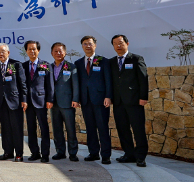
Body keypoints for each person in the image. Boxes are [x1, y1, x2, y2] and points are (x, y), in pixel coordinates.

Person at [110, 34, 149, 167]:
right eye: (115, 44)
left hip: (134, 101)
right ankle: (129, 154)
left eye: (121, 43)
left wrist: (143, 97)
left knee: (138, 129)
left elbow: (143, 79)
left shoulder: (136, 59)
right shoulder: (112, 62)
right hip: (118, 102)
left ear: (127, 43)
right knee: (123, 129)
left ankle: (140, 157)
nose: (118, 46)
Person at [76, 36, 113, 164]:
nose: (87, 46)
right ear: (82, 46)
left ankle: (106, 155)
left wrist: (108, 96)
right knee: (90, 128)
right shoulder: (78, 63)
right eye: (85, 44)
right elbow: (78, 83)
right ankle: (93, 153)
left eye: (90, 44)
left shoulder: (103, 61)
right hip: (85, 101)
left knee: (103, 128)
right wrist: (78, 98)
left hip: (101, 100)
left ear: (95, 45)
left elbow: (108, 80)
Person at [0, 43, 27, 162]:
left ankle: (19, 154)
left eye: (3, 51)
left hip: (15, 102)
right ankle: (8, 152)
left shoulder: (16, 65)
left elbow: (22, 84)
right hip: (2, 103)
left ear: (8, 52)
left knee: (16, 128)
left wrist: (24, 99)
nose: (1, 54)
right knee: (5, 129)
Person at [22, 40, 53, 163]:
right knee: (31, 128)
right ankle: (34, 152)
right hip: (28, 103)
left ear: (38, 50)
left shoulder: (45, 64)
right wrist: (23, 100)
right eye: (29, 49)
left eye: (34, 49)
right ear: (26, 51)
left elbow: (50, 85)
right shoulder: (23, 66)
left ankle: (45, 154)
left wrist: (50, 99)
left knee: (44, 128)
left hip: (41, 101)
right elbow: (22, 85)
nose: (32, 51)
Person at [50, 42, 80, 162]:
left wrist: (75, 99)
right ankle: (60, 152)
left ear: (65, 52)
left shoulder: (71, 67)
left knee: (70, 129)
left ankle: (73, 153)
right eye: (55, 51)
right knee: (57, 129)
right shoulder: (48, 67)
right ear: (52, 53)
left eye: (60, 51)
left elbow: (76, 85)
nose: (58, 53)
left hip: (67, 102)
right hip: (53, 103)